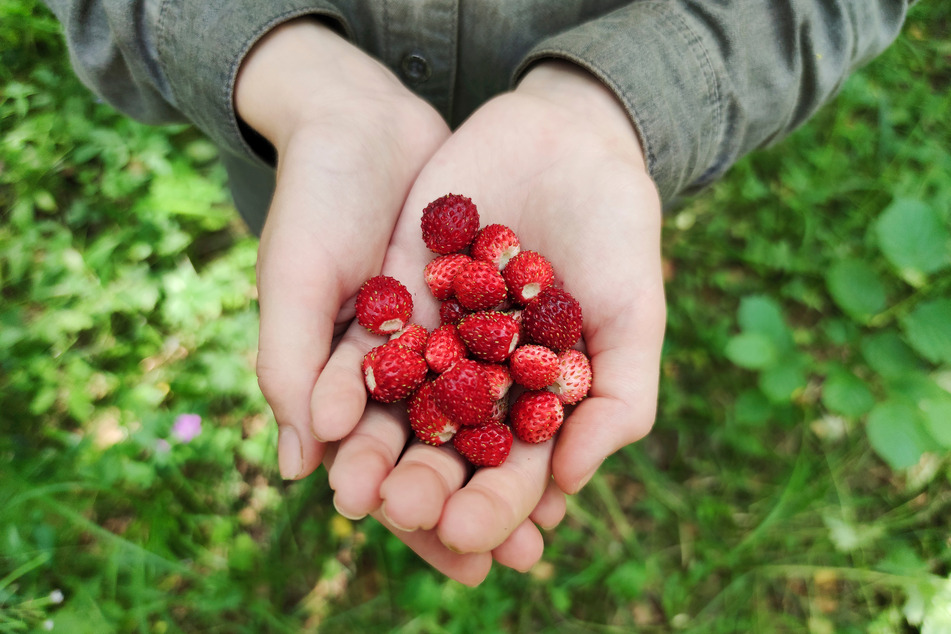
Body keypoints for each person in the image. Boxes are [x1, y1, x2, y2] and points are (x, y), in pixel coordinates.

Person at [44, 0, 913, 586]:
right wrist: (289, 75)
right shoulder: (459, 308)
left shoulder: (493, 310)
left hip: (593, 169)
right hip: (303, 166)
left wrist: (626, 103)